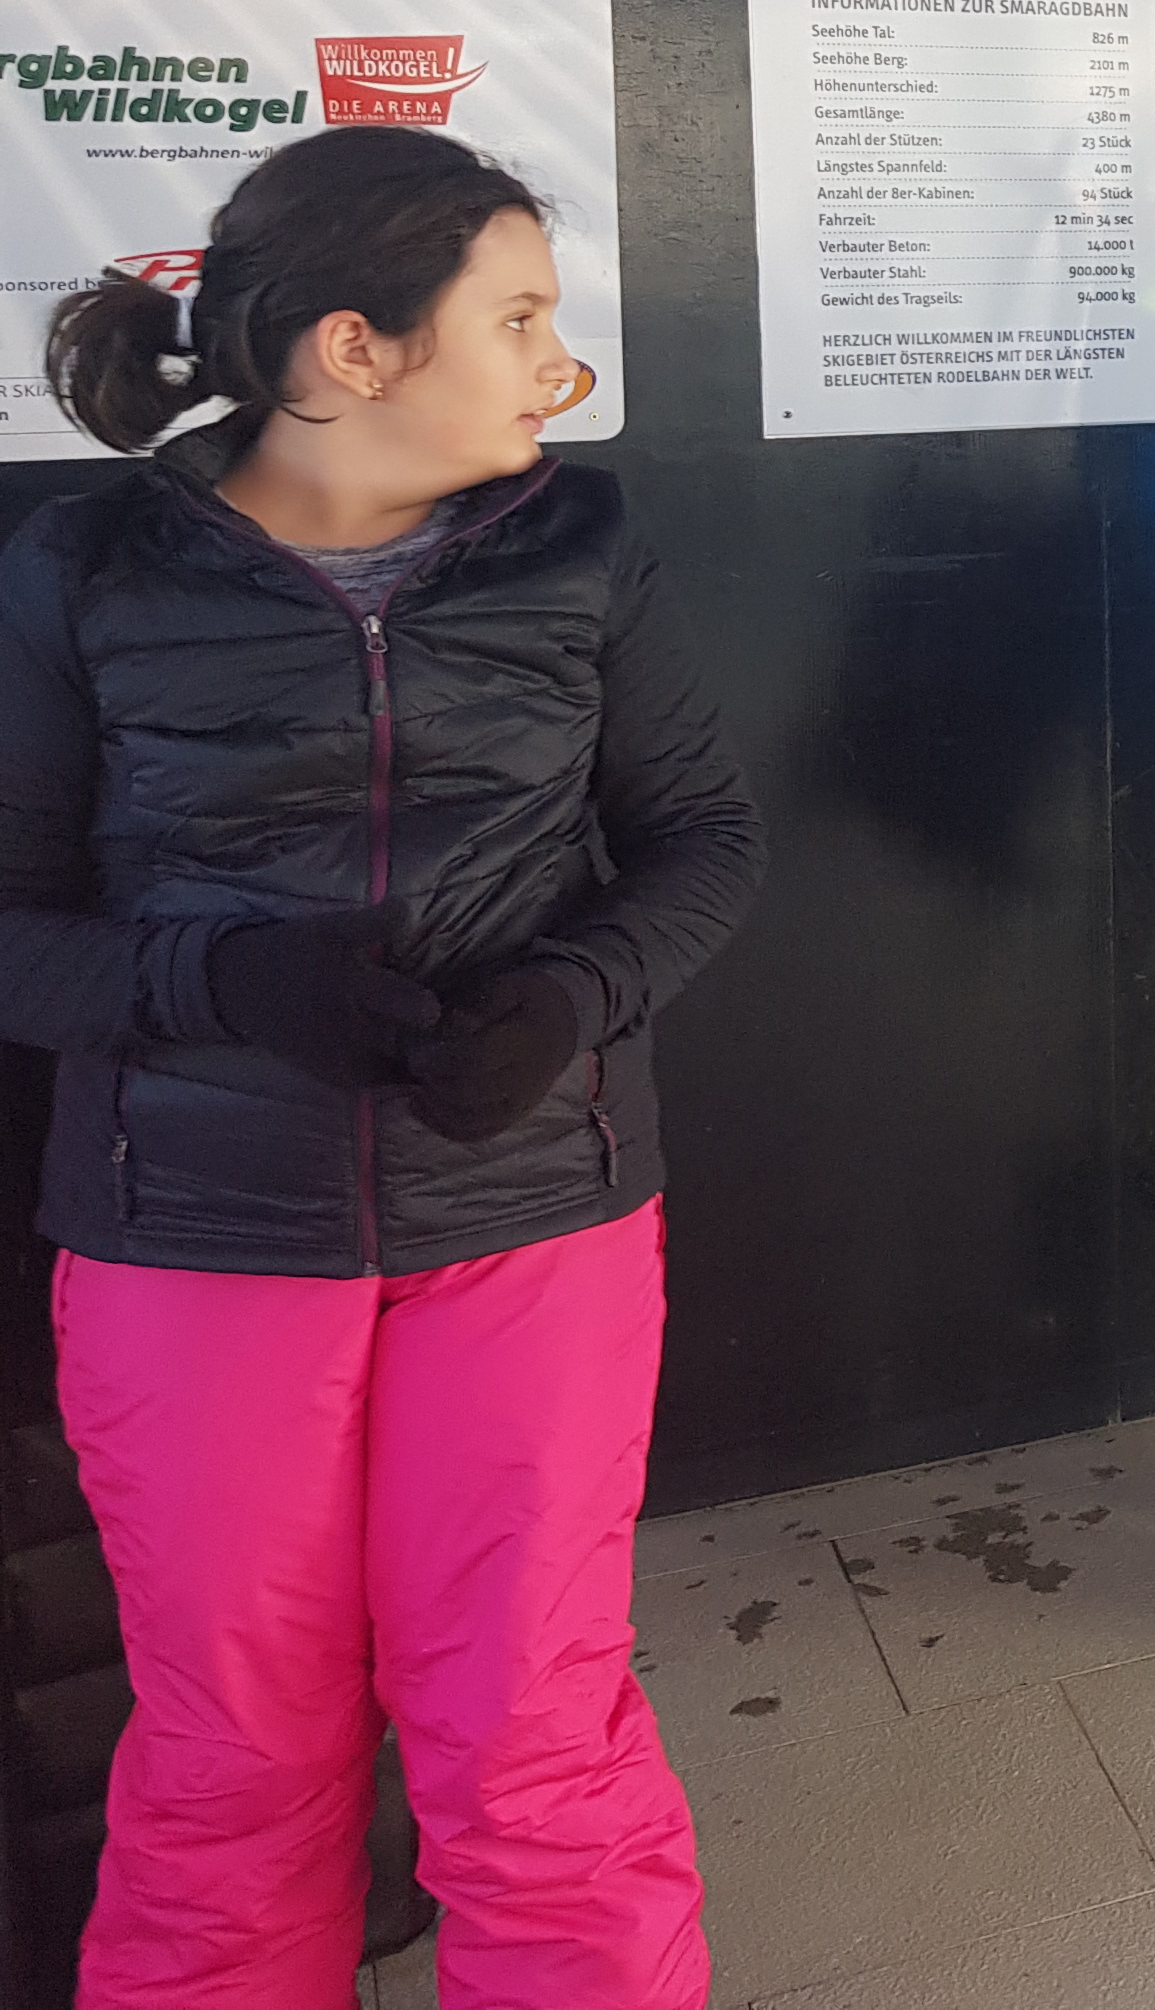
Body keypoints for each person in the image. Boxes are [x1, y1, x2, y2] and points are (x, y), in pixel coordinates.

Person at [0, 129, 762, 2006]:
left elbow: (706, 842)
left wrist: (568, 999)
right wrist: (227, 981)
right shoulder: (87, 567)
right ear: (357, 349)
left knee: (534, 1731)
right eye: (519, 320)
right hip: (193, 1235)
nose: (556, 367)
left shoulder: (581, 545)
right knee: (233, 1753)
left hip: (535, 1214)